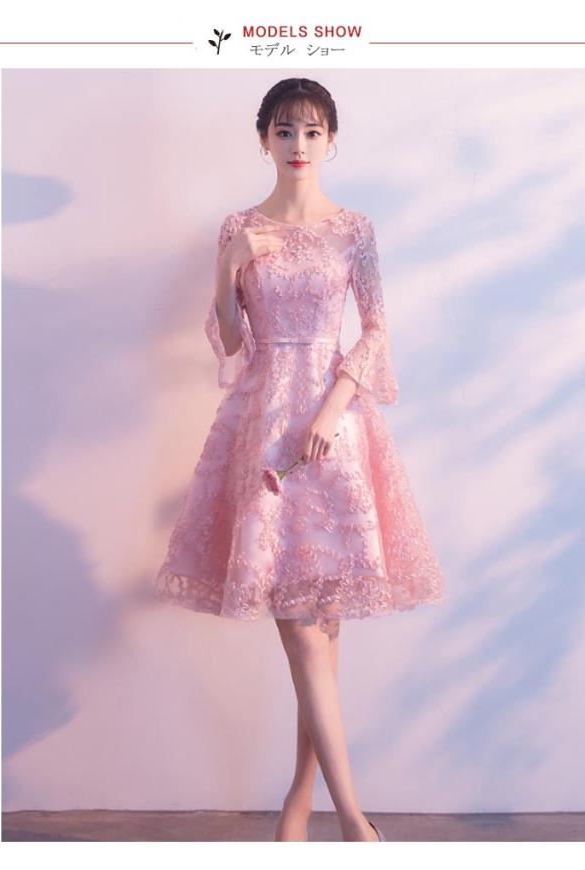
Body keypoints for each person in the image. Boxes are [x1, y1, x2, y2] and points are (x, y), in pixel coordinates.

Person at [152, 77, 447, 842]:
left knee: (322, 633)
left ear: (332, 141)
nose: (298, 145)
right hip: (261, 427)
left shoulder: (354, 229)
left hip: (332, 433)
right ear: (263, 140)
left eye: (313, 132)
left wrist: (331, 409)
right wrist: (228, 265)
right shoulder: (239, 227)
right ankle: (355, 825)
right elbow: (232, 341)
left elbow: (376, 330)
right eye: (284, 131)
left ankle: (298, 805)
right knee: (305, 635)